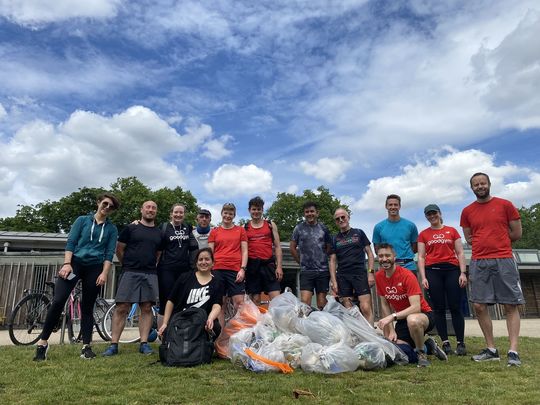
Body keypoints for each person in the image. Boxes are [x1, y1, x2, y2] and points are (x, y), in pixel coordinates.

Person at [34, 193, 120, 361]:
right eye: (105, 203)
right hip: (75, 265)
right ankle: (42, 344)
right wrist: (67, 263)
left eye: (111, 207)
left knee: (87, 307)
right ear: (98, 202)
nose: (107, 207)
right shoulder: (82, 221)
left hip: (94, 268)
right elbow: (71, 242)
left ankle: (86, 347)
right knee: (58, 300)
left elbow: (109, 253)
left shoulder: (111, 229)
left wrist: (104, 273)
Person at [460, 172, 524, 366]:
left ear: (489, 184)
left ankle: (513, 351)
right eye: (476, 184)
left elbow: (517, 233)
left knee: (510, 305)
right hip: (479, 261)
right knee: (479, 305)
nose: (480, 186)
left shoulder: (505, 205)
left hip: (503, 258)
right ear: (471, 188)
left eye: (483, 183)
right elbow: (469, 237)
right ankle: (491, 349)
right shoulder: (467, 211)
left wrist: (499, 241)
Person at [102, 201, 162, 356]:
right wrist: (127, 265)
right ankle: (113, 344)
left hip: (150, 273)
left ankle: (144, 343)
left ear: (156, 211)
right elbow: (119, 249)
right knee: (122, 307)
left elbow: (158, 254)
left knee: (147, 307)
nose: (150, 210)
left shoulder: (159, 232)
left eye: (153, 208)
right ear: (141, 210)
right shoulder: (130, 228)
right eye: (147, 207)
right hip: (130, 272)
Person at [376, 243, 447, 367]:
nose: (384, 259)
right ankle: (428, 346)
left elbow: (416, 307)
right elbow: (385, 304)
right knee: (398, 352)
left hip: (422, 315)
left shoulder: (407, 275)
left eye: (387, 255)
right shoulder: (379, 276)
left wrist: (392, 317)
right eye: (381, 256)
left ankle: (421, 355)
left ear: (394, 257)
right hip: (402, 319)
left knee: (412, 319)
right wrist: (391, 330)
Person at [418, 204, 468, 356]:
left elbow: (460, 253)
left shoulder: (452, 231)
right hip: (433, 271)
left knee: (455, 307)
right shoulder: (423, 234)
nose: (432, 216)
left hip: (452, 270)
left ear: (439, 214)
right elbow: (421, 256)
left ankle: (460, 343)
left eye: (434, 213)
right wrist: (424, 277)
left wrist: (463, 272)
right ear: (426, 217)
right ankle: (445, 342)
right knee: (438, 308)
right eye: (429, 214)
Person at [158, 248, 223, 338]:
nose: (203, 262)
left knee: (215, 327)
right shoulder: (185, 278)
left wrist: (210, 318)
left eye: (207, 259)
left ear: (213, 263)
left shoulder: (217, 282)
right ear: (196, 263)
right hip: (182, 318)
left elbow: (217, 305)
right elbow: (170, 301)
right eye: (200, 259)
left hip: (202, 320)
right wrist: (165, 323)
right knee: (167, 333)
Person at [329, 208, 375, 325]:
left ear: (348, 217)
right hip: (343, 276)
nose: (341, 220)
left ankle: (371, 335)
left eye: (343, 217)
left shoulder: (359, 233)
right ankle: (356, 335)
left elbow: (370, 254)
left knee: (365, 307)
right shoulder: (334, 239)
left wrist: (370, 273)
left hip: (360, 274)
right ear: (335, 222)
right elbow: (332, 260)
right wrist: (334, 281)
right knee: (349, 310)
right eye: (337, 219)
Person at [156, 204, 198, 324]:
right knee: (166, 301)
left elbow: (194, 247)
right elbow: (156, 245)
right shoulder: (163, 227)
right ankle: (162, 334)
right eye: (176, 212)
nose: (178, 215)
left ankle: (177, 332)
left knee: (181, 300)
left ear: (184, 215)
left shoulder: (188, 227)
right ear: (171, 213)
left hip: (184, 269)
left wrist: (194, 268)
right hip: (166, 269)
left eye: (181, 212)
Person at [208, 203, 248, 323]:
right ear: (222, 214)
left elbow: (245, 251)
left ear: (234, 215)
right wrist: (209, 270)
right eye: (225, 213)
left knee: (239, 303)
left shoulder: (240, 230)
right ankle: (220, 338)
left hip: (235, 270)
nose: (227, 216)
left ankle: (238, 335)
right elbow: (210, 252)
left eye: (230, 213)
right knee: (219, 303)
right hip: (218, 269)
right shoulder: (214, 231)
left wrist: (243, 269)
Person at [290, 201, 333, 309]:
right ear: (304, 214)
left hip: (322, 271)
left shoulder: (324, 228)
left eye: (312, 211)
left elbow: (329, 247)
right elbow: (292, 247)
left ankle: (322, 324)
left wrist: (322, 258)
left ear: (317, 213)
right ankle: (306, 325)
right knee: (305, 302)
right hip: (306, 271)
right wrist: (300, 261)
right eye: (307, 212)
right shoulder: (298, 228)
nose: (309, 214)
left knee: (322, 303)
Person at [244, 196, 283, 305]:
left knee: (277, 300)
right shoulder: (245, 227)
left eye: (259, 209)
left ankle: (276, 322)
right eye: (254, 209)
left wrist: (279, 267)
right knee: (255, 300)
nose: (256, 212)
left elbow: (278, 247)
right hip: (253, 267)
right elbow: (243, 250)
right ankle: (257, 322)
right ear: (249, 210)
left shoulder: (270, 225)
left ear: (262, 210)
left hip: (269, 265)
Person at [373, 194, 418, 272]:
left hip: (408, 266)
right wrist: (388, 259)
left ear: (399, 206)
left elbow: (415, 247)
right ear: (386, 206)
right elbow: (377, 249)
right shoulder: (378, 227)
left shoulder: (411, 225)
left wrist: (404, 255)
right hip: (387, 267)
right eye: (390, 205)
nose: (393, 207)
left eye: (395, 205)